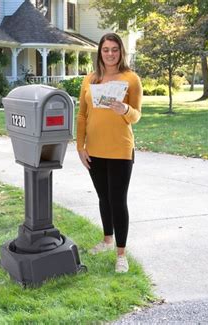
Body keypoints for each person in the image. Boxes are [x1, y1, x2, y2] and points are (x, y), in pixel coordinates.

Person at [76, 33, 142, 273]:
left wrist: (125, 108)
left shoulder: (131, 79)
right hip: (94, 149)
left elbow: (136, 115)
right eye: (106, 49)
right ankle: (106, 240)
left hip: (120, 149)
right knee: (103, 198)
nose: (110, 54)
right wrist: (80, 147)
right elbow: (82, 115)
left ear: (120, 52)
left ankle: (121, 254)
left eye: (115, 49)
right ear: (100, 52)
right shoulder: (90, 80)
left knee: (117, 200)